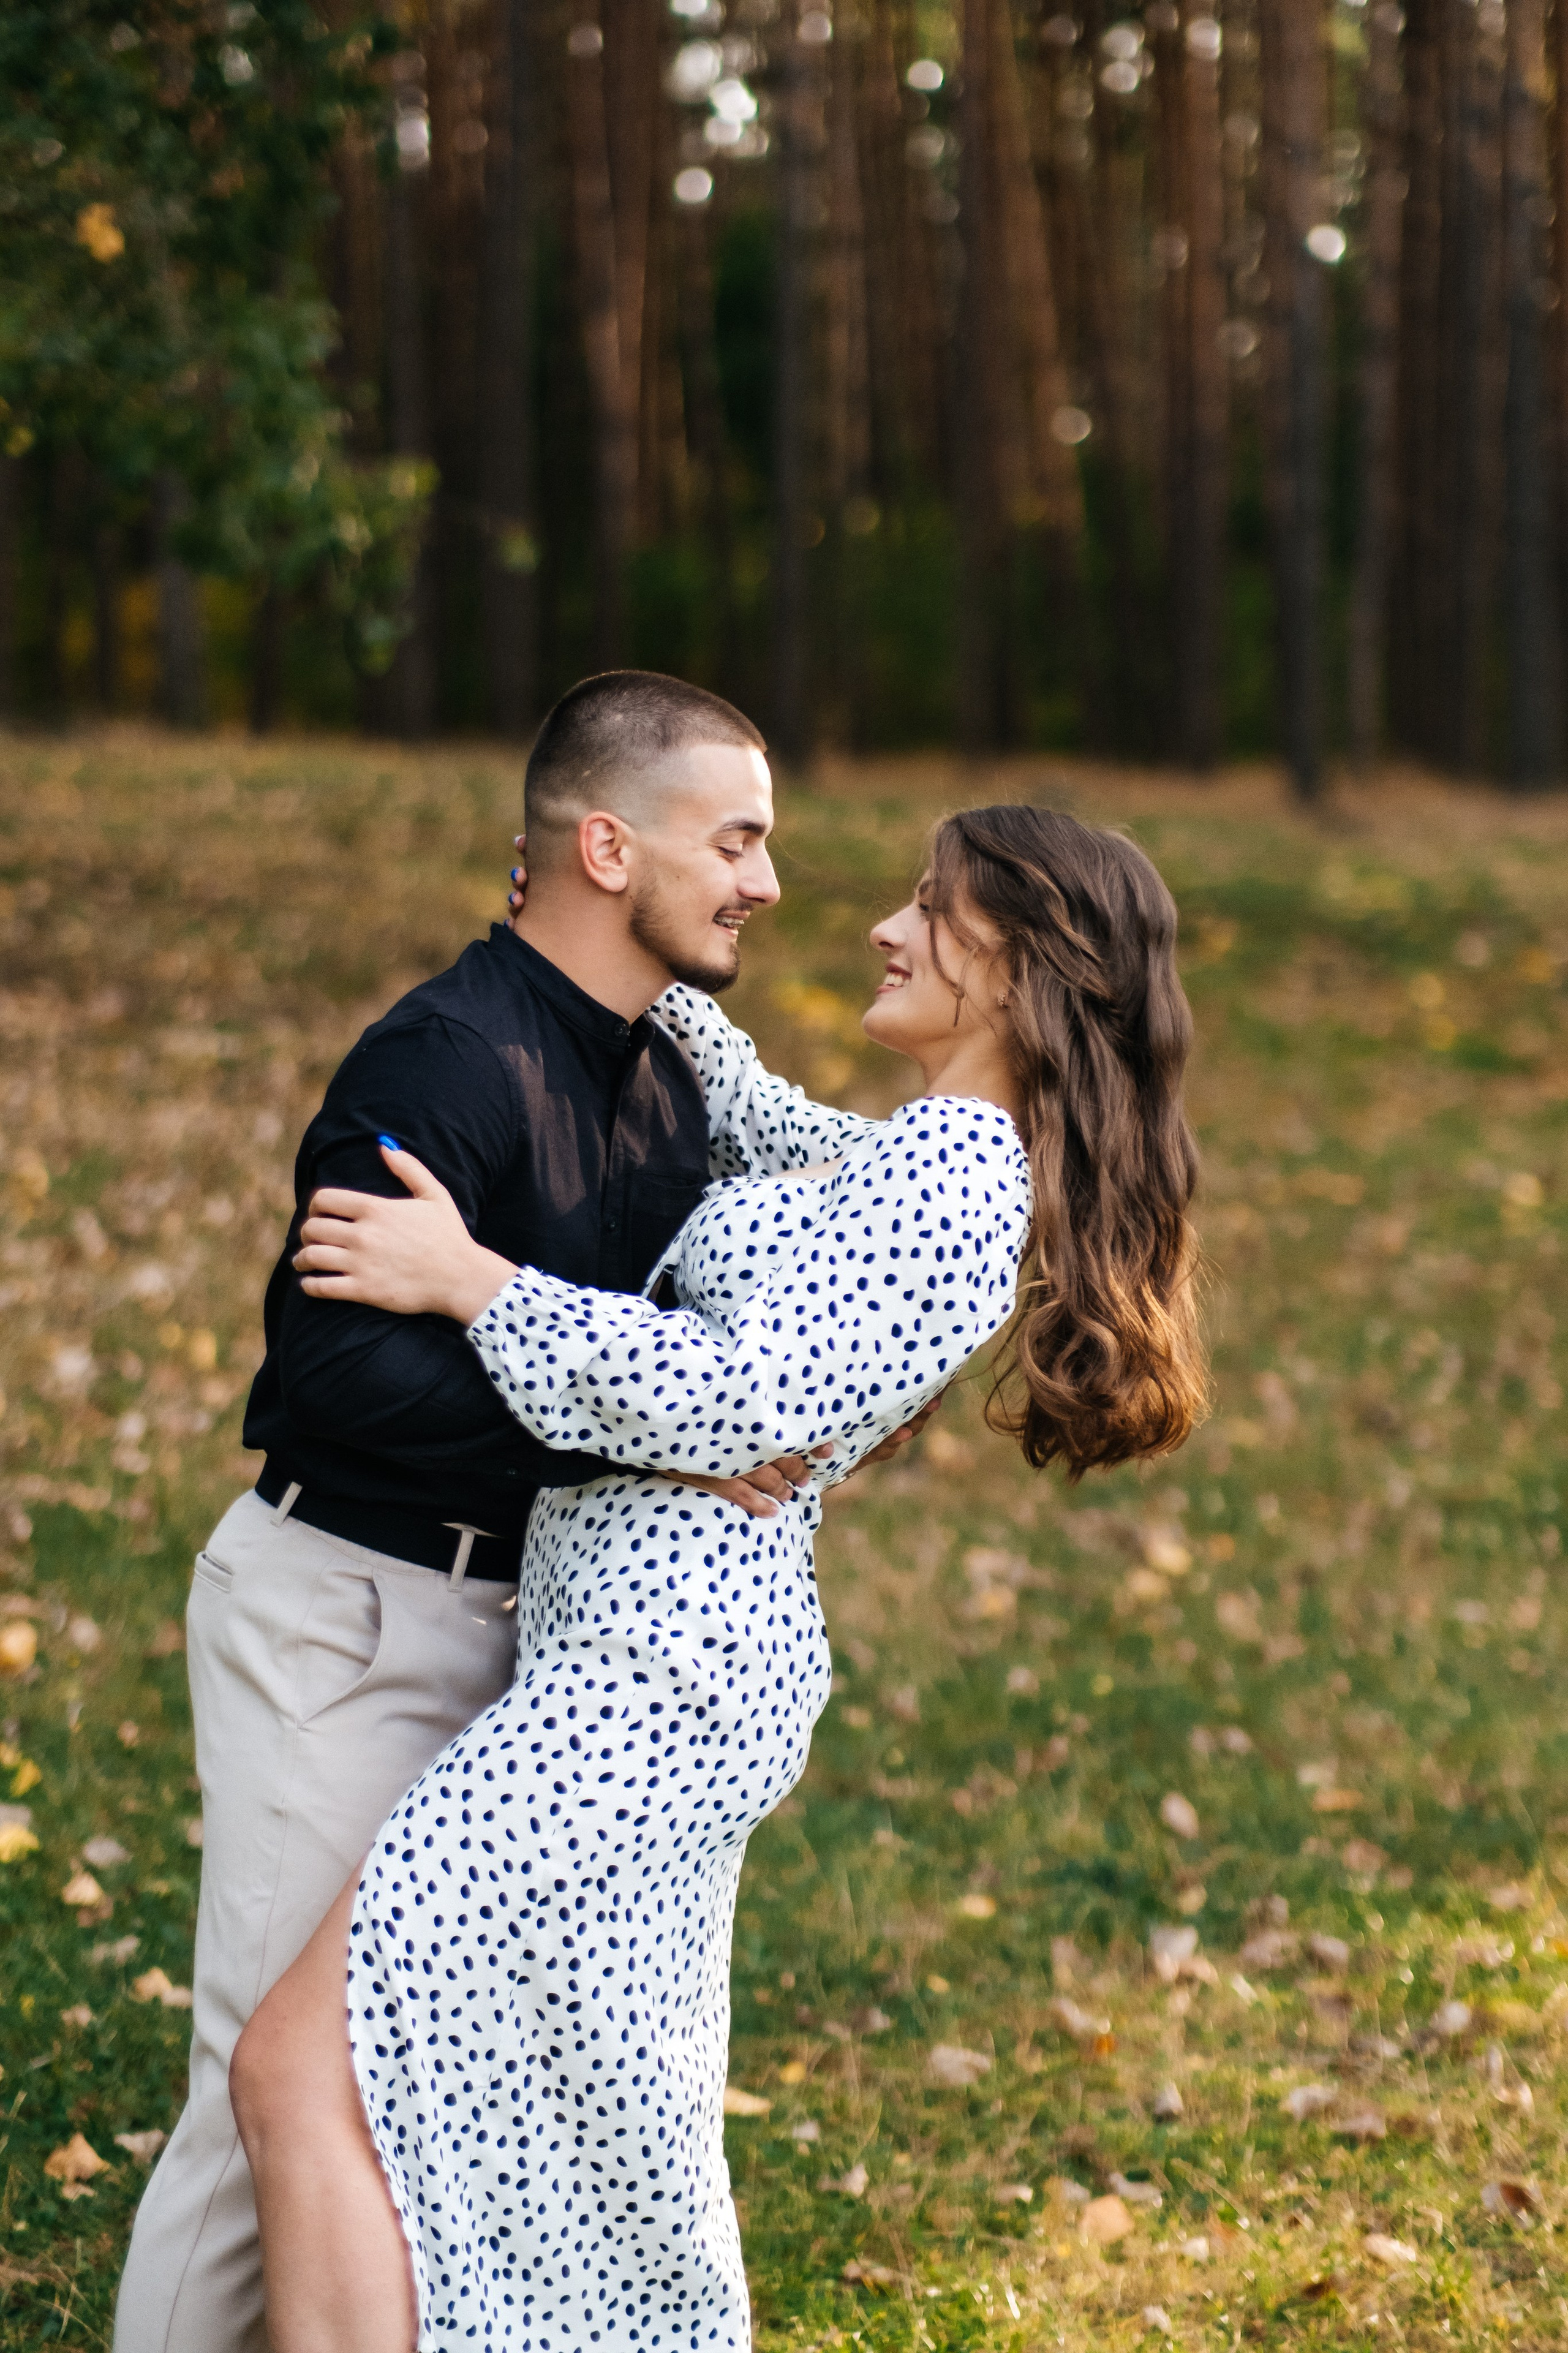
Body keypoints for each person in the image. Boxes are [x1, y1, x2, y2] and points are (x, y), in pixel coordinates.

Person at [228, 804, 1207, 2353]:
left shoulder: (957, 1172)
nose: (881, 927)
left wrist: (471, 1281)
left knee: (308, 2066)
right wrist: (585, 919)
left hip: (656, 1684)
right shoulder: (923, 1153)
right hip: (644, 1661)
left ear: (1020, 969)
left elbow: (745, 1397)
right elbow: (743, 1105)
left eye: (929, 906)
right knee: (558, 2126)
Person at [114, 670, 932, 2353]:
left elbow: (800, 1322)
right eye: (741, 838)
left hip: (544, 1654)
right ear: (609, 845)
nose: (772, 882)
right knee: (261, 2092)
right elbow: (330, 1379)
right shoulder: (445, 1057)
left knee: (422, 2108)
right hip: (349, 1620)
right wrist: (634, 1452)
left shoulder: (682, 1081)